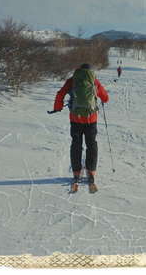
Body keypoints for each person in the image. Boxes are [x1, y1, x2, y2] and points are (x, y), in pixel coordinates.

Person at [53, 63, 109, 193]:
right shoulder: (94, 81)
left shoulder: (72, 80)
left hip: (75, 119)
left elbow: (60, 94)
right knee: (91, 144)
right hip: (91, 119)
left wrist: (57, 107)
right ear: (90, 72)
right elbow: (105, 97)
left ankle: (77, 171)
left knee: (76, 144)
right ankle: (91, 170)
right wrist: (102, 98)